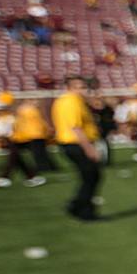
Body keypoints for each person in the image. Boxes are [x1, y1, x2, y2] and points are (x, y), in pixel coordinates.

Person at [53, 76, 104, 221]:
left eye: (83, 87)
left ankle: (78, 206)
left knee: (90, 177)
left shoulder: (67, 100)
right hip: (76, 144)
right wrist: (89, 148)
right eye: (79, 87)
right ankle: (83, 210)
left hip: (73, 143)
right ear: (70, 88)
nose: (83, 90)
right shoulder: (71, 101)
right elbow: (75, 127)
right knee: (91, 177)